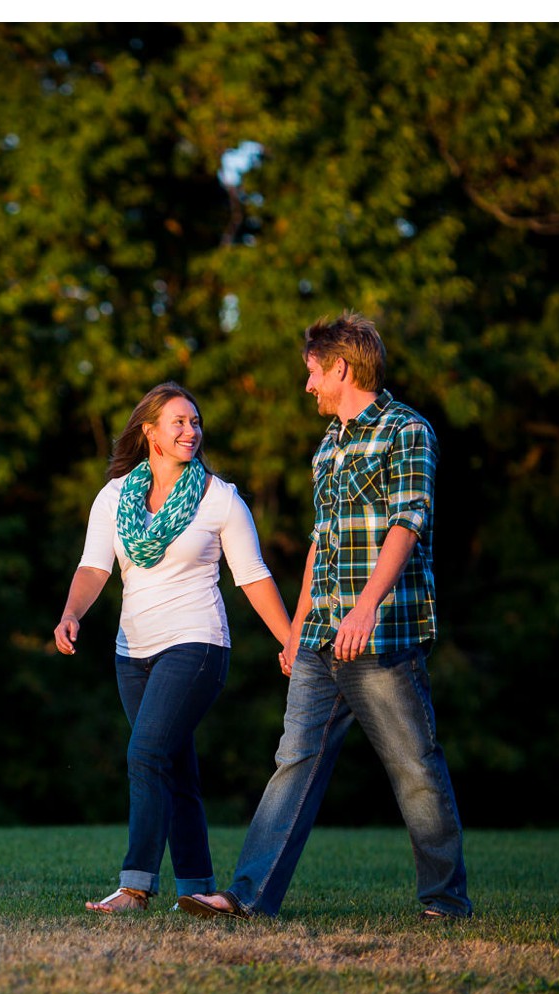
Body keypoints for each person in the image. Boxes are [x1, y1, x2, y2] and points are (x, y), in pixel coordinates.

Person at [179, 311, 473, 922]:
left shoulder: (406, 431)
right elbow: (322, 541)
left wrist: (366, 606)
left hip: (380, 632)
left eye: (313, 373)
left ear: (340, 367)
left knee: (414, 765)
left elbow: (408, 522)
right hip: (319, 637)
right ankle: (250, 897)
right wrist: (296, 627)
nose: (308, 385)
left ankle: (445, 900)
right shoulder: (328, 447)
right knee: (294, 761)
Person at [55, 382, 293, 914]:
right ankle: (196, 889)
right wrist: (72, 613)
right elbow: (95, 567)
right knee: (173, 766)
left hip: (197, 646)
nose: (191, 431)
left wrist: (290, 639)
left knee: (144, 753)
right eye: (178, 422)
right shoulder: (115, 496)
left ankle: (136, 887)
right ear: (150, 433)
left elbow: (252, 576)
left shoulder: (218, 498)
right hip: (131, 654)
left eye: (195, 422)